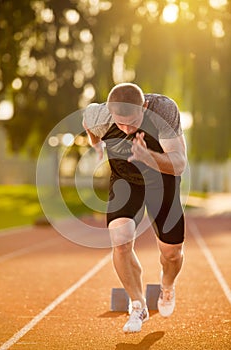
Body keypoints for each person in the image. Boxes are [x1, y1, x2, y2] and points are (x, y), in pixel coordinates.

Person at [83, 83, 187, 333]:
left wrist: (147, 156)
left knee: (172, 253)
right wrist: (96, 144)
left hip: (162, 180)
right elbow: (89, 125)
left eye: (132, 122)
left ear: (145, 107)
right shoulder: (99, 116)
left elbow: (180, 163)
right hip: (125, 180)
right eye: (120, 123)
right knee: (120, 240)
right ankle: (137, 304)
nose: (126, 129)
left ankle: (168, 285)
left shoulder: (163, 110)